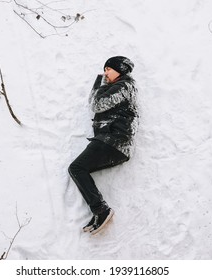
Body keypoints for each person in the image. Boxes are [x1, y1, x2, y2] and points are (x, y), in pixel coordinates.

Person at [68, 56, 139, 235]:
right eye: (104, 70)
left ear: (119, 70)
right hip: (116, 144)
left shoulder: (125, 85)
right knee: (79, 169)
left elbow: (97, 104)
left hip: (113, 140)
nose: (105, 72)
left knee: (76, 168)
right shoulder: (121, 87)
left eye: (108, 69)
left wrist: (99, 81)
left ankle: (101, 209)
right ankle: (99, 210)